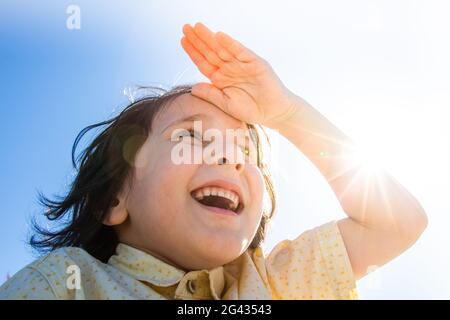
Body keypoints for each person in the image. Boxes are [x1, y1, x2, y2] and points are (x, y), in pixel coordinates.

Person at [0, 23, 427, 300]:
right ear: (114, 199)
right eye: (190, 137)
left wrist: (286, 114)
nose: (228, 156)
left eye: (245, 151)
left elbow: (397, 223)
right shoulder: (65, 283)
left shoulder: (274, 283)